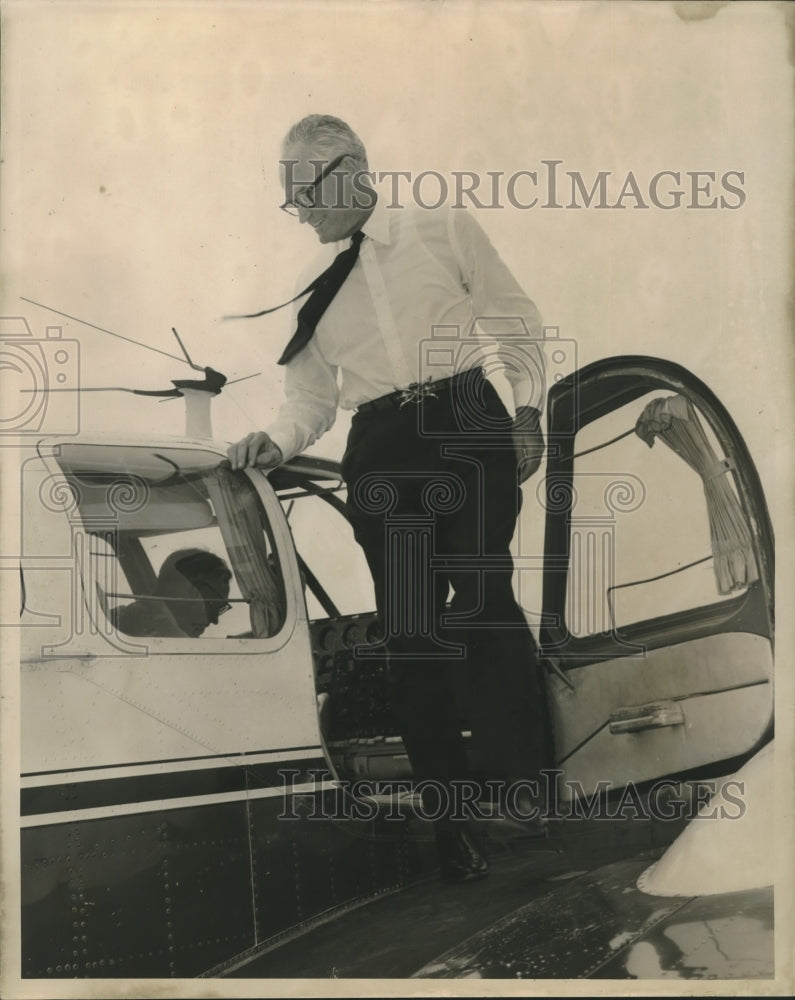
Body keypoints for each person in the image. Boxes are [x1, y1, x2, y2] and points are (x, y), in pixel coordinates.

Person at [228, 115, 548, 882]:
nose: (298, 213)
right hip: (381, 445)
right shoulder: (311, 291)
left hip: (468, 419)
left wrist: (529, 412)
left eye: (302, 195)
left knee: (479, 595)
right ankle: (450, 823)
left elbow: (516, 319)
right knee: (410, 630)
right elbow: (309, 399)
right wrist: (276, 439)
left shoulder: (439, 226)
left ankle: (521, 792)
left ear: (348, 169)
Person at [113, 548, 232, 639]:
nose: (215, 620)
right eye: (214, 605)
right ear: (190, 592)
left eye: (220, 609)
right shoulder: (160, 634)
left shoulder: (129, 616)